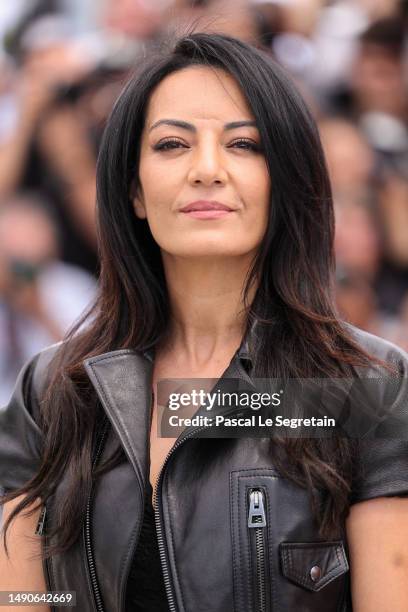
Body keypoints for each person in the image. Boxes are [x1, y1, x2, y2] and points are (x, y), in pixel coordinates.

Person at [1, 31, 408, 612]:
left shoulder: (368, 389)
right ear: (135, 189)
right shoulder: (52, 392)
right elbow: (21, 596)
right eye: (172, 145)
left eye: (244, 145)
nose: (207, 169)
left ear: (285, 178)